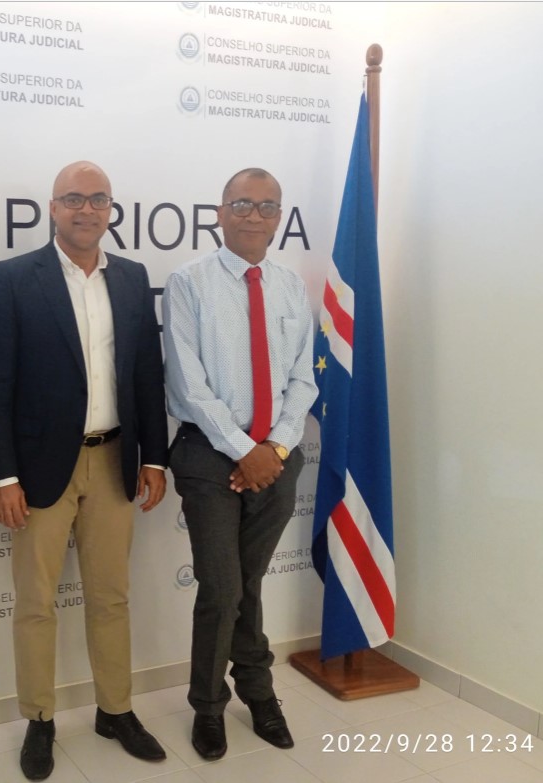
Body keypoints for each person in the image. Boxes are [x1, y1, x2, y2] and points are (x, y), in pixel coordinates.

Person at [0, 161, 170, 781]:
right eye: (73, 199)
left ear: (111, 208)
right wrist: (1, 475)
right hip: (38, 468)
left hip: (114, 461)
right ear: (53, 208)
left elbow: (147, 375)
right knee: (36, 602)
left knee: (111, 596)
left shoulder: (133, 278)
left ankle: (115, 710)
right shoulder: (13, 278)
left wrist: (154, 456)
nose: (86, 209)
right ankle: (40, 719)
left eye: (97, 199)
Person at [162, 168, 317, 760]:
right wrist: (242, 450)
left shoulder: (290, 287)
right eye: (243, 204)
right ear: (220, 213)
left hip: (276, 459)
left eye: (267, 206)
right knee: (223, 586)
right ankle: (210, 705)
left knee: (246, 584)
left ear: (279, 218)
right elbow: (187, 381)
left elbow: (302, 380)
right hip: (210, 455)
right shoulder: (189, 283)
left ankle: (255, 691)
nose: (255, 216)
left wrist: (273, 450)